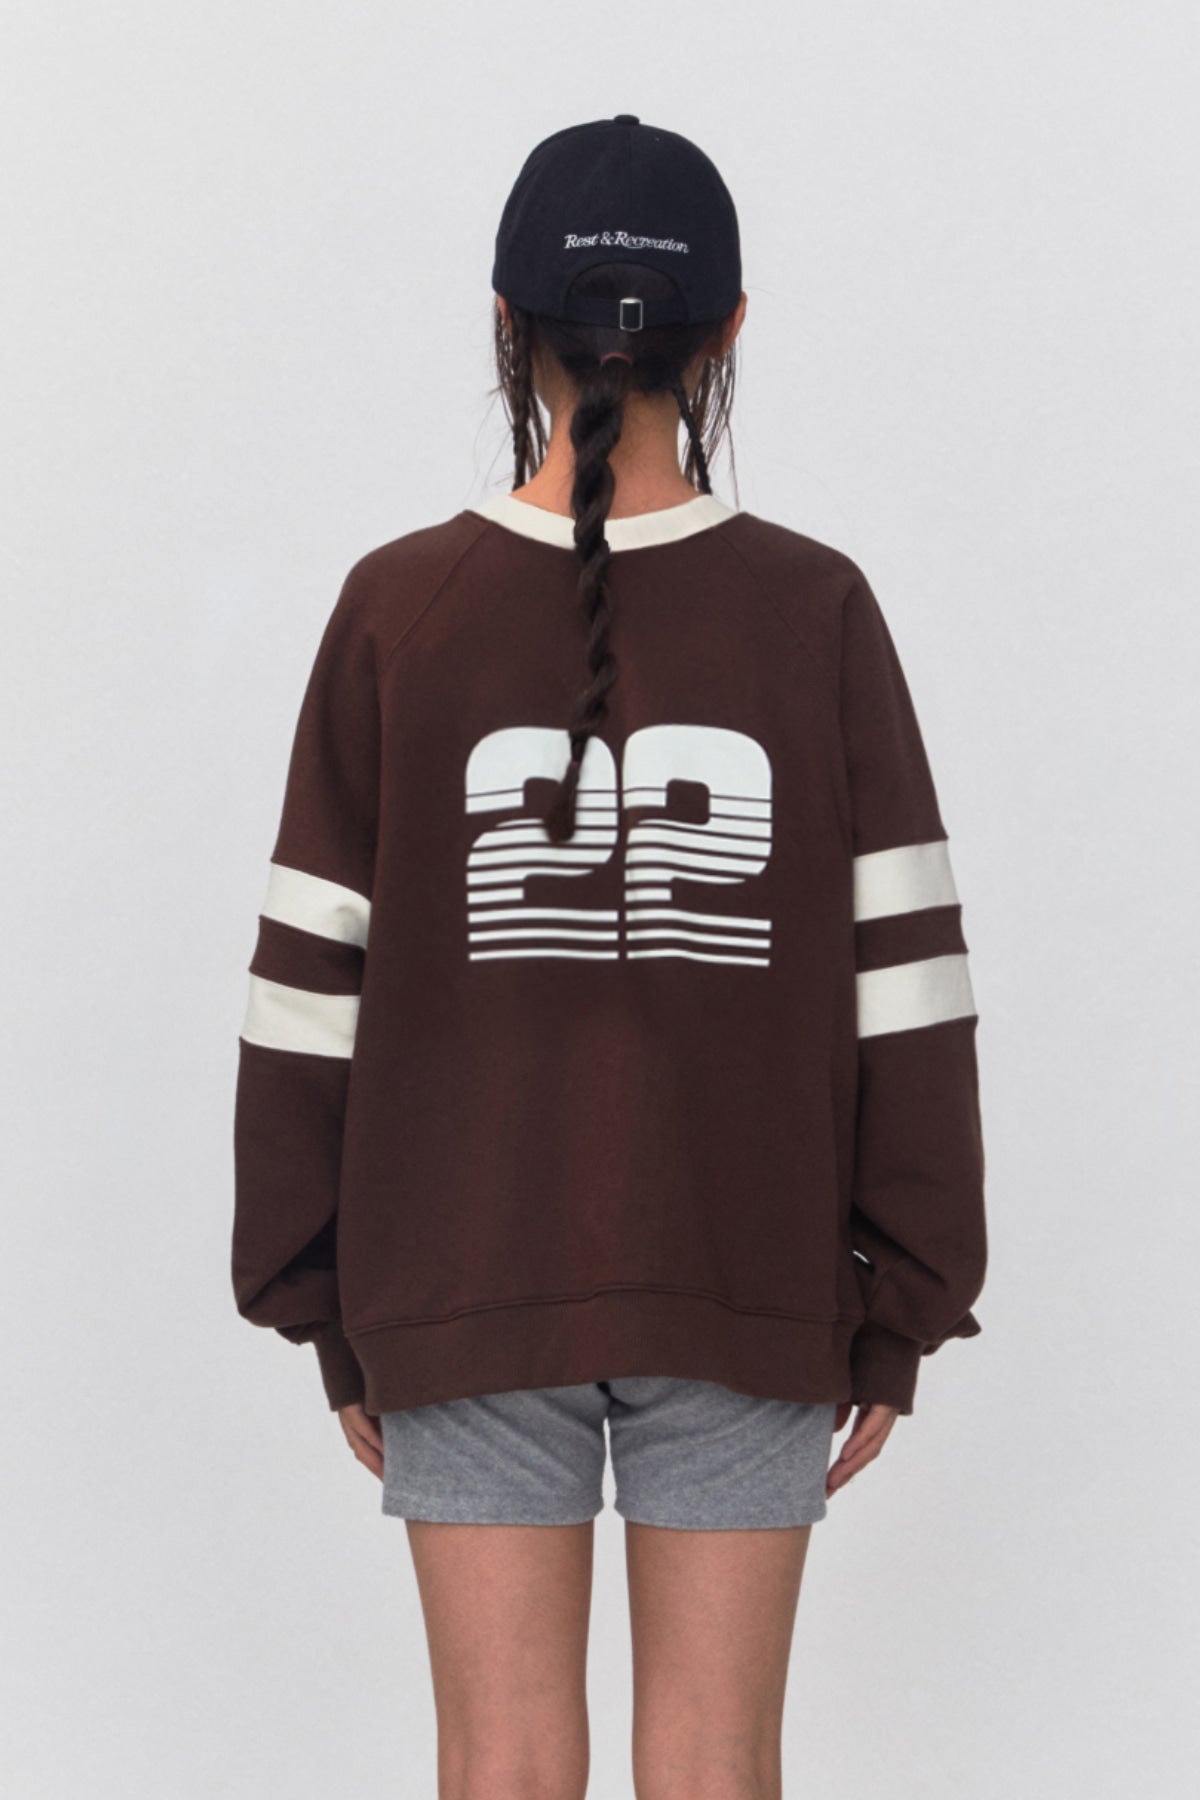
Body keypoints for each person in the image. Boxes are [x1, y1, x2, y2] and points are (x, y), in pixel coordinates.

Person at [230, 115, 987, 1800]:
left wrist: (326, 1304)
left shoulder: (395, 611)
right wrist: (904, 1303)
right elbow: (909, 988)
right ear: (730, 332)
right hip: (751, 1270)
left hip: (459, 1276)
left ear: (507, 323)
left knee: (499, 1765)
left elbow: (305, 997)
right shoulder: (818, 611)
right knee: (718, 1766)